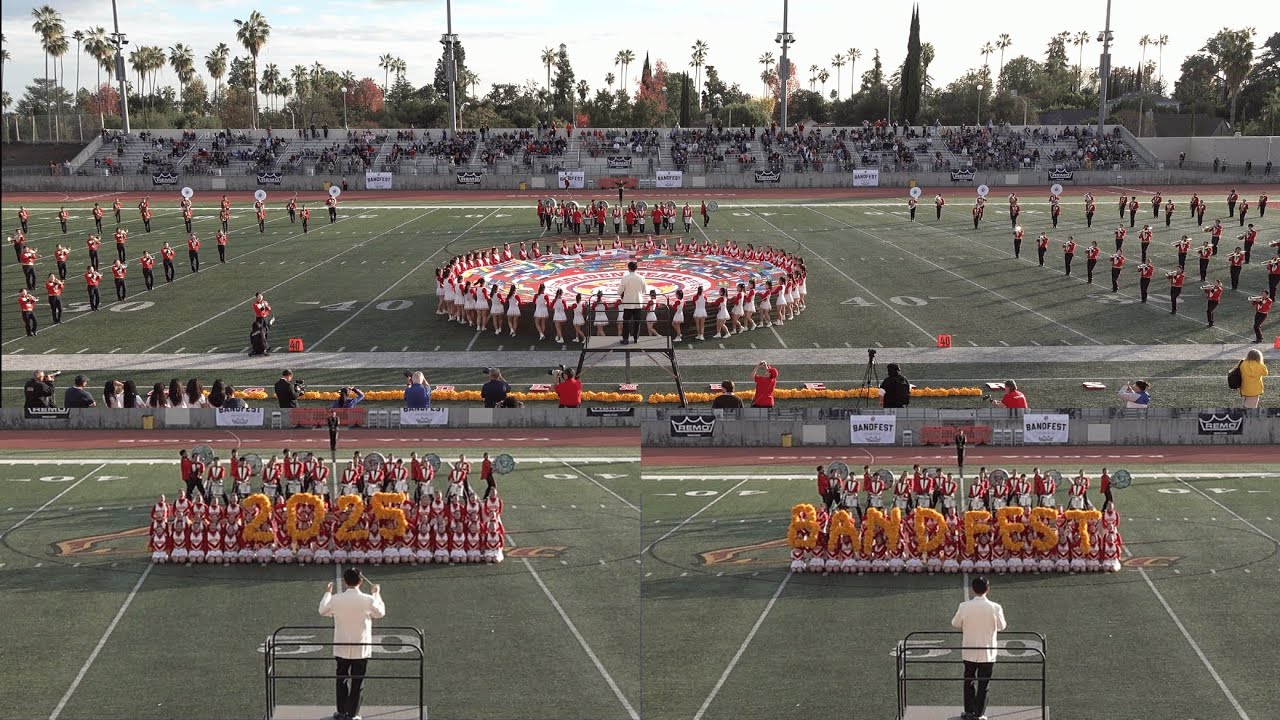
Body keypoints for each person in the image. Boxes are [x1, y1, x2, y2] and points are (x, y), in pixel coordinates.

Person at [318, 568, 386, 720]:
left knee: (341, 679)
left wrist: (328, 593)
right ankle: (353, 714)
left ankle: (341, 712)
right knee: (358, 681)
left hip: (341, 646)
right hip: (360, 648)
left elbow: (322, 610)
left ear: (344, 581)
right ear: (360, 581)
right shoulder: (368, 599)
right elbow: (380, 613)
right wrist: (376, 593)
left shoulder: (335, 599)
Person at [951, 576, 1007, 720]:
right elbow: (1002, 626)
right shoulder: (995, 607)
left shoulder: (964, 606)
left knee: (968, 680)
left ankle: (969, 712)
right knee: (984, 683)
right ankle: (979, 714)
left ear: (972, 589)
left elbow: (955, 623)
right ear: (988, 589)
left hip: (969, 651)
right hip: (987, 652)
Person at [618, 260, 647, 344]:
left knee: (626, 322)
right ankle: (636, 339)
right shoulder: (641, 278)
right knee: (637, 322)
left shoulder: (625, 278)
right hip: (638, 303)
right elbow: (644, 291)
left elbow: (619, 292)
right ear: (636, 268)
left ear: (628, 268)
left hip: (627, 304)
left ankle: (626, 339)